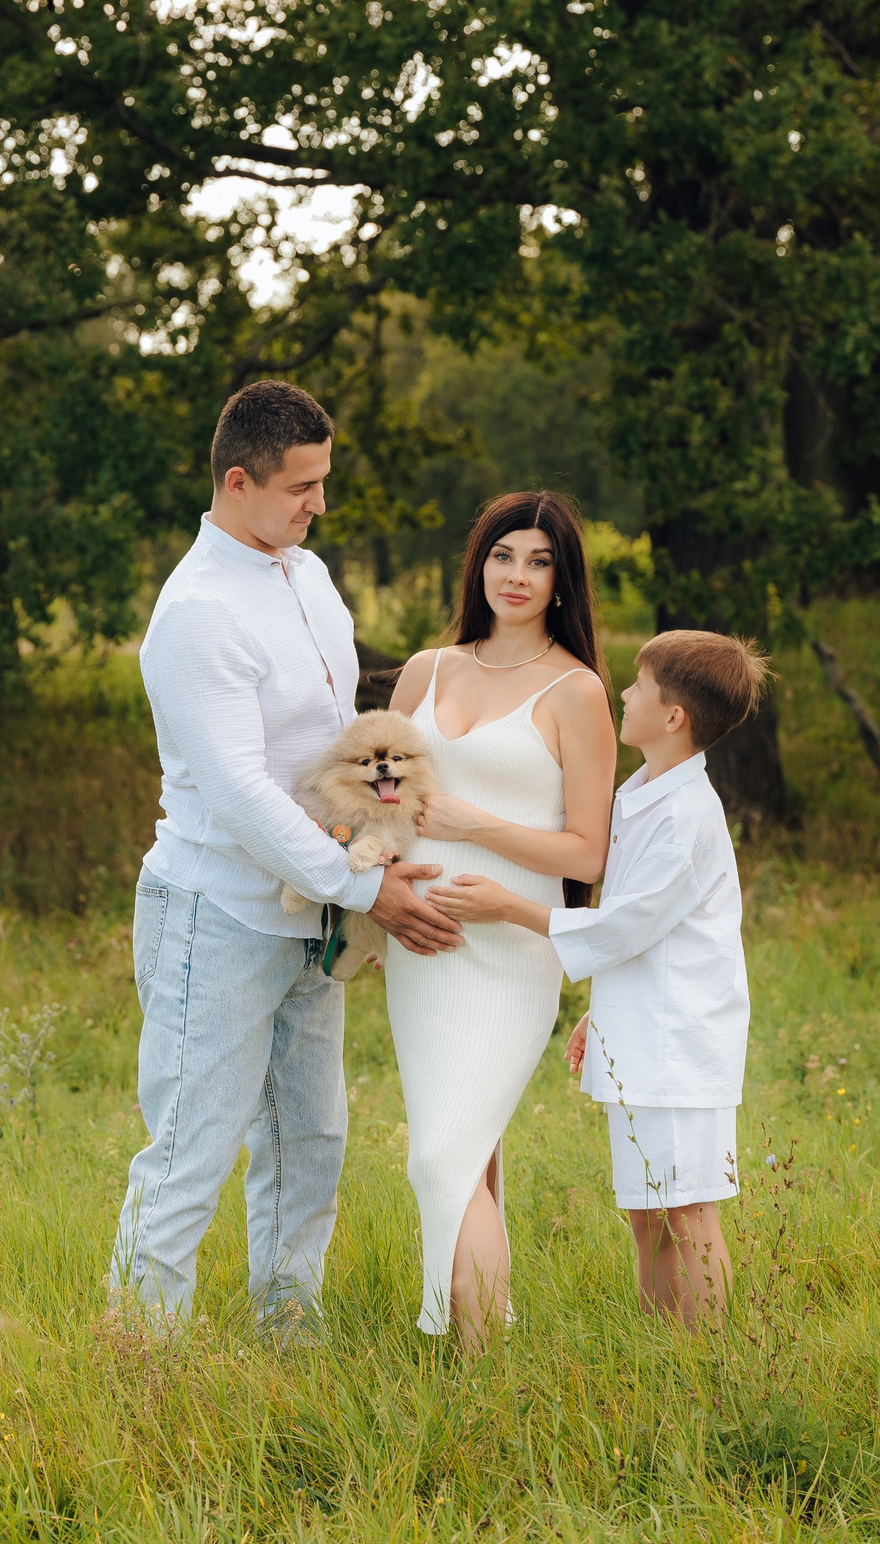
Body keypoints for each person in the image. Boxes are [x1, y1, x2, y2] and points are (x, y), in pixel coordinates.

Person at [107, 379, 463, 1339]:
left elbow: (334, 736)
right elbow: (241, 793)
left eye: (322, 482)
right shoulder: (197, 615)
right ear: (237, 479)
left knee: (310, 1138)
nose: (318, 505)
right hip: (216, 913)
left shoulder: (304, 574)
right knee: (191, 1144)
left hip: (315, 911)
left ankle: (288, 1329)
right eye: (302, 486)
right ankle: (143, 1358)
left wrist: (369, 852)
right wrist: (366, 885)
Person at [431, 630, 770, 1326]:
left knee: (687, 1208)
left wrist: (509, 906)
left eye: (640, 686)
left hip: (683, 1038)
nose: (623, 693)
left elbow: (626, 926)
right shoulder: (644, 790)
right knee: (648, 1209)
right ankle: (662, 1347)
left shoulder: (684, 815)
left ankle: (703, 1358)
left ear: (673, 715)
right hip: (647, 1026)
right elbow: (636, 928)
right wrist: (603, 1010)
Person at [379, 493, 618, 1350]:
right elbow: (378, 798)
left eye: (540, 560)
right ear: (479, 564)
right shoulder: (425, 670)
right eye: (503, 555)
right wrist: (384, 890)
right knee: (464, 1146)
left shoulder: (576, 689)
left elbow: (588, 855)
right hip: (424, 946)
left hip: (512, 945)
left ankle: (480, 1368)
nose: (518, 575)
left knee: (437, 1156)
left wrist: (471, 825)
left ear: (563, 581)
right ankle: (473, 1339)